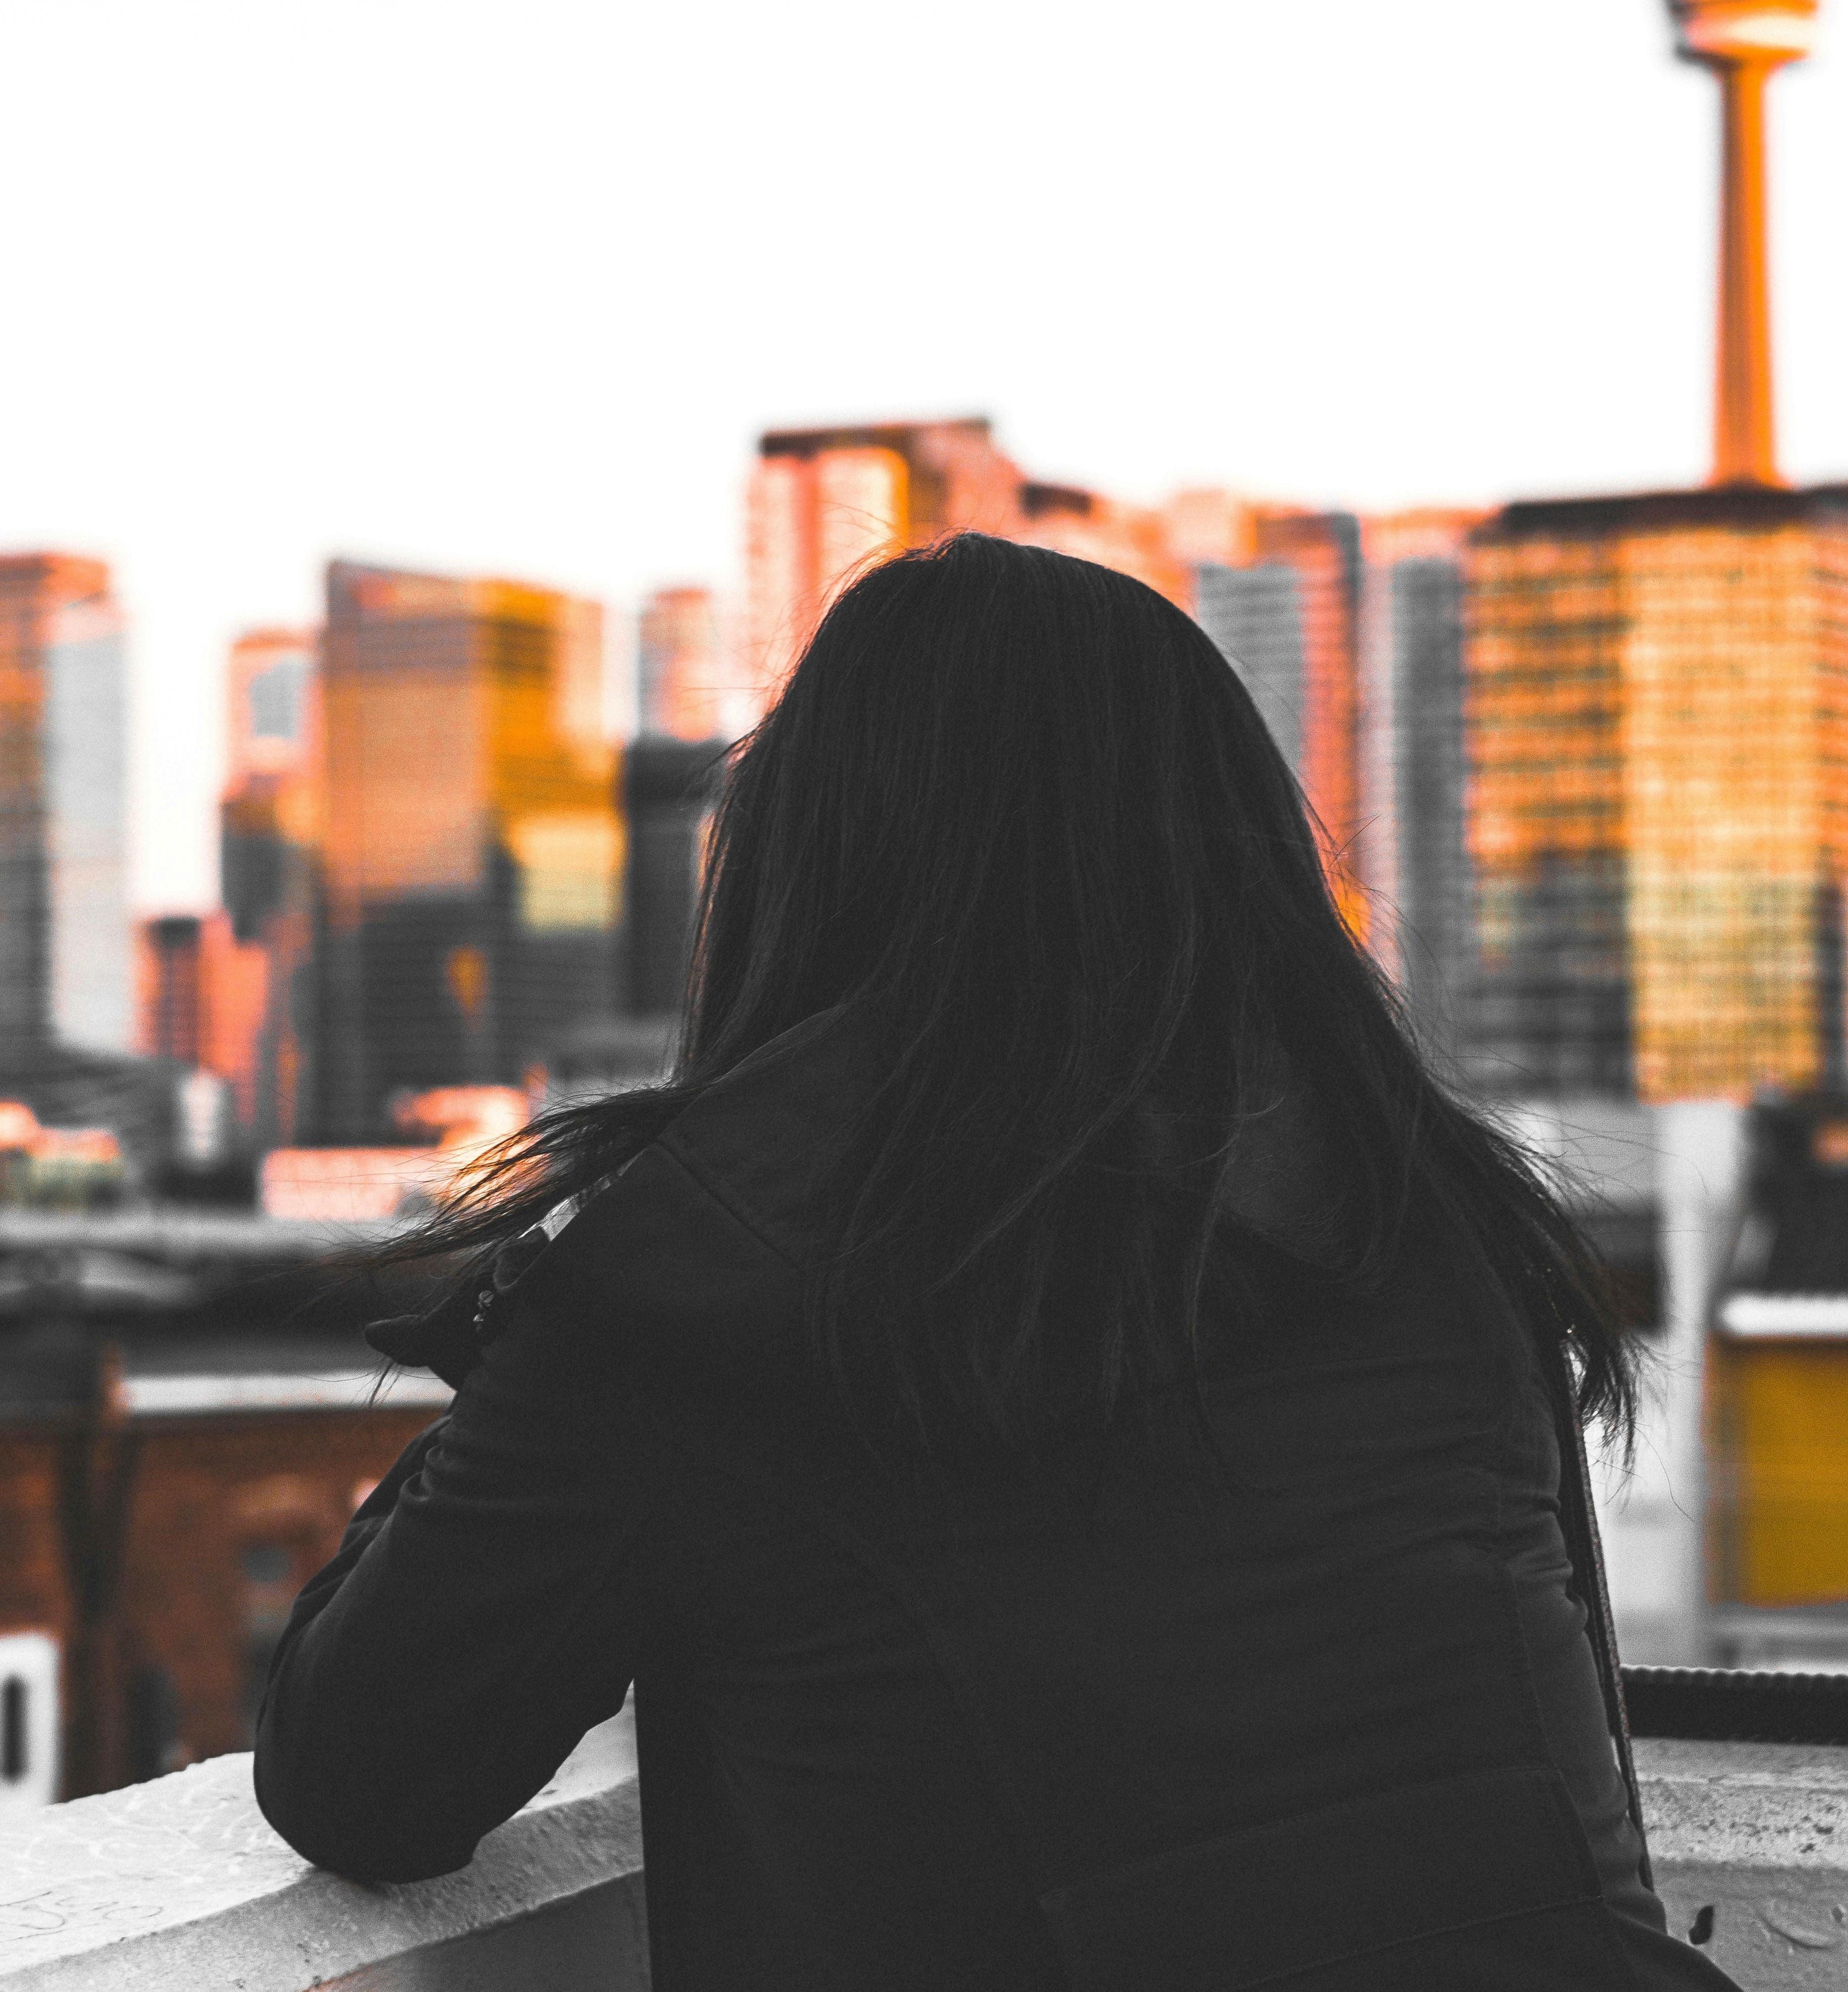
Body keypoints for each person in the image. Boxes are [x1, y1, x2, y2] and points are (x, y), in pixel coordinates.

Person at [254, 533, 1741, 1989]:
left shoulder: (713, 1276)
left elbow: (358, 1773)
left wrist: (554, 1309)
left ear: (807, 863)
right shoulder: (1430, 1220)